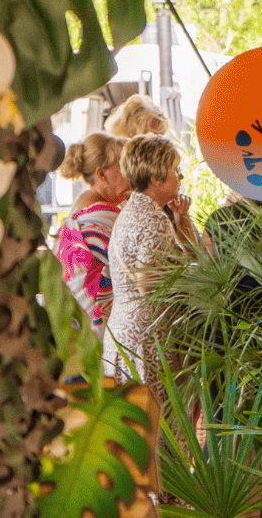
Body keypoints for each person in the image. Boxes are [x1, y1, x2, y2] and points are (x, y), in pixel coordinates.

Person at [108, 134, 198, 378]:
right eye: (175, 170)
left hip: (123, 333)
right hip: (147, 340)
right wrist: (192, 279)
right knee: (155, 404)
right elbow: (148, 284)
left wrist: (182, 219)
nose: (180, 177)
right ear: (156, 178)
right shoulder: (154, 219)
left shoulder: (129, 212)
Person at [55, 133, 128, 327]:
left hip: (73, 323)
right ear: (102, 175)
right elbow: (143, 265)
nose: (132, 174)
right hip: (93, 330)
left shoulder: (84, 205)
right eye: (124, 167)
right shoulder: (102, 215)